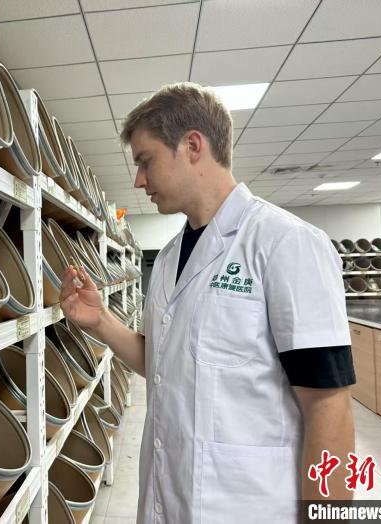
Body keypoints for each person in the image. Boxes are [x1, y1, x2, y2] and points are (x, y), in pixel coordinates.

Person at [60, 82, 356, 523]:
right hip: (168, 501)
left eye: (145, 161)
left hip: (248, 508)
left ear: (192, 146)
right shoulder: (167, 259)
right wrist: (101, 320)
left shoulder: (285, 243)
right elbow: (164, 362)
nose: (139, 180)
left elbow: (328, 404)